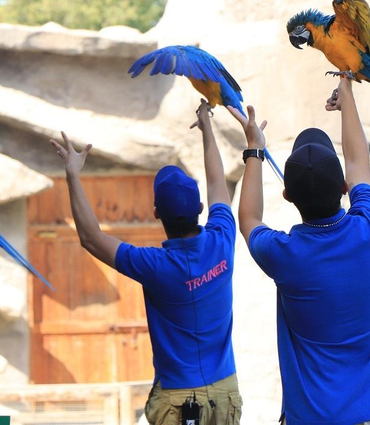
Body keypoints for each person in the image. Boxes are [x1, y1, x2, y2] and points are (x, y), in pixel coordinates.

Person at [50, 100, 242, 425]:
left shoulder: (155, 266)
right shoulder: (223, 239)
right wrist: (208, 128)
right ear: (199, 207)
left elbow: (91, 237)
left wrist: (73, 175)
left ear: (156, 214)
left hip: (178, 402)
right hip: (225, 392)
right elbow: (216, 185)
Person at [230, 76, 370, 425]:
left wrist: (254, 150)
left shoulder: (284, 255)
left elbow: (248, 219)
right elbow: (358, 162)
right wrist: (346, 95)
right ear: (344, 187)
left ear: (288, 197)